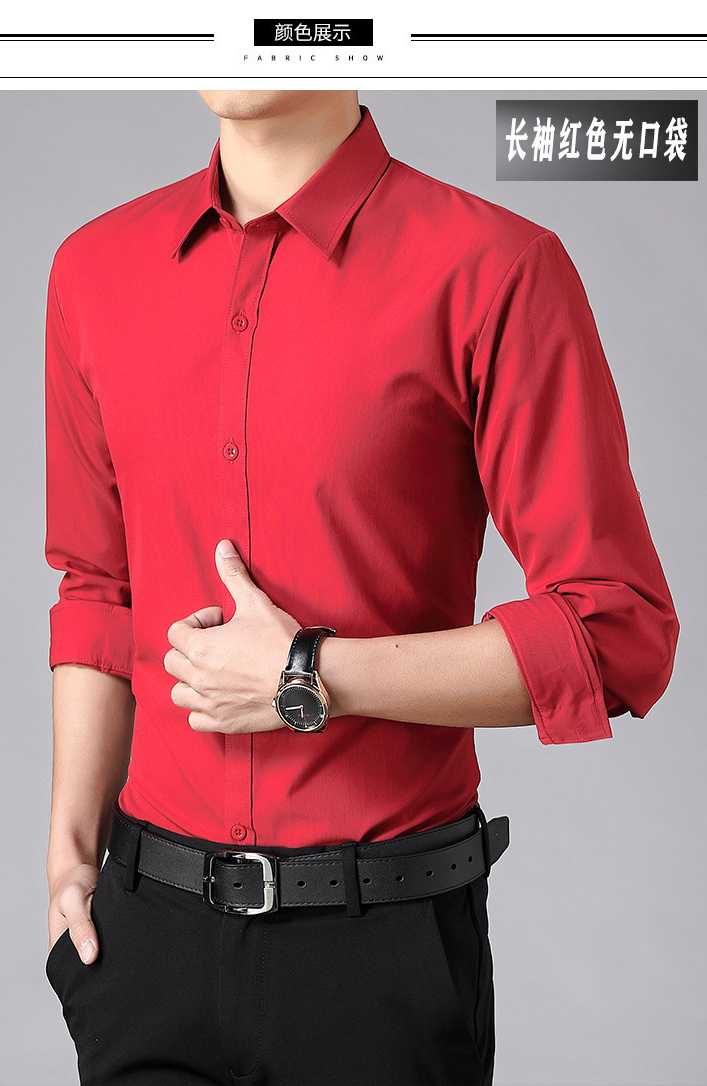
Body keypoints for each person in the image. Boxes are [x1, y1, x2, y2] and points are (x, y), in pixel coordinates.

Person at [43, 90, 678, 1086]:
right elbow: (98, 586)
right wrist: (70, 856)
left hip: (379, 956)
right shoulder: (94, 269)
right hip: (146, 946)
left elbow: (615, 632)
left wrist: (310, 673)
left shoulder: (495, 268)